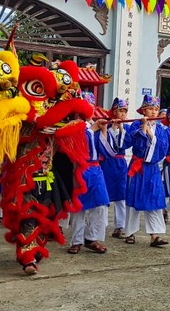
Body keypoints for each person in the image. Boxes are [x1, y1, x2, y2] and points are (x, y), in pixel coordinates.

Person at [68, 92, 111, 255]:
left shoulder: (94, 125)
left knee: (101, 203)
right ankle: (77, 240)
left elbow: (105, 151)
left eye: (91, 106)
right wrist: (93, 129)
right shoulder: (74, 125)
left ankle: (92, 238)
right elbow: (79, 144)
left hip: (96, 169)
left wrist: (104, 130)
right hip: (80, 168)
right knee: (79, 206)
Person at [124, 95, 169, 247]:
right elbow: (131, 143)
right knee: (133, 198)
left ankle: (155, 235)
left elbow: (163, 149)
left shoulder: (162, 129)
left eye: (156, 109)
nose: (153, 112)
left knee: (154, 199)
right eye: (150, 109)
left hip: (152, 168)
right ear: (144, 110)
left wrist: (151, 135)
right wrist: (143, 129)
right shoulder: (135, 125)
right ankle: (130, 232)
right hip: (138, 166)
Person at [101, 97, 131, 239]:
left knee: (121, 195)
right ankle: (102, 225)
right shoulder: (105, 125)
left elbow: (126, 144)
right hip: (107, 163)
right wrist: (112, 129)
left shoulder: (128, 127)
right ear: (114, 111)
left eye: (125, 111)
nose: (123, 114)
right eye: (120, 111)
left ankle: (120, 226)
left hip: (120, 164)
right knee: (105, 194)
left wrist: (121, 129)